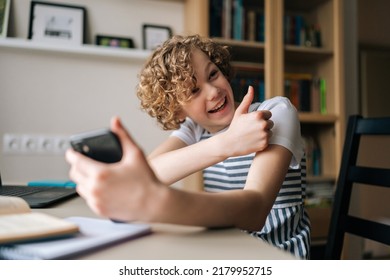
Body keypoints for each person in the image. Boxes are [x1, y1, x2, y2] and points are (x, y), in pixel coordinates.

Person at [66, 34, 311, 259]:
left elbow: (255, 211)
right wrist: (227, 143)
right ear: (176, 109)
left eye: (213, 74)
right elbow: (149, 173)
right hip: (225, 254)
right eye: (194, 90)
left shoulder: (277, 112)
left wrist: (161, 203)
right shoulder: (195, 129)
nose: (214, 91)